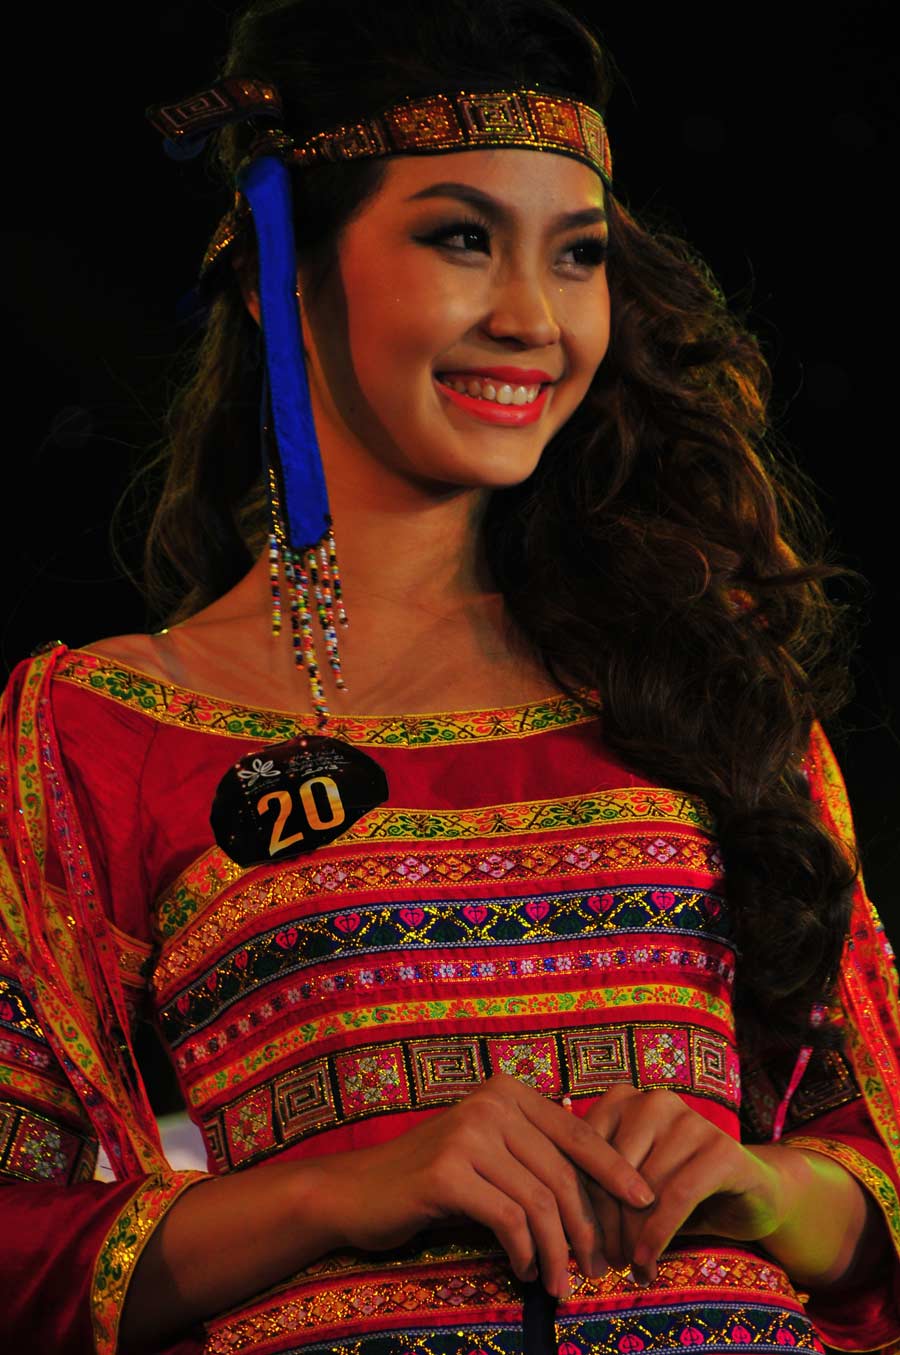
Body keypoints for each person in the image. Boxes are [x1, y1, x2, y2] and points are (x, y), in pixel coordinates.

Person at [1, 1, 898, 1352]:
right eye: (461, 239)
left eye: (579, 255)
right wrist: (347, 1189)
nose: (532, 317)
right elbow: (22, 1241)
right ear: (282, 273)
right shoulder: (99, 729)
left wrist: (760, 1190)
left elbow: (869, 1165)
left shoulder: (701, 685)